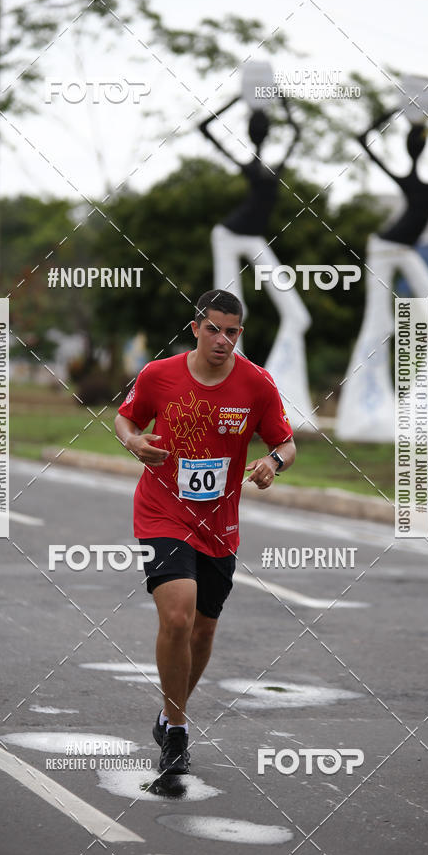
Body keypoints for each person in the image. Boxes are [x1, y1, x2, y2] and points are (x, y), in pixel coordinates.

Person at [114, 289, 296, 775]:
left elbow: (286, 442)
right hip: (162, 512)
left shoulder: (256, 384)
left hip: (219, 523)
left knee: (204, 627)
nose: (222, 340)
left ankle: (169, 712)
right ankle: (177, 729)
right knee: (177, 616)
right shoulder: (159, 374)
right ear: (195, 327)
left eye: (232, 332)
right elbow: (125, 417)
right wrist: (134, 441)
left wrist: (272, 463)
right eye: (213, 328)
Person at [335, 102, 428, 447]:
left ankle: (421, 412)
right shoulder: (408, 178)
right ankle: (363, 410)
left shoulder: (427, 177)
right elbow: (362, 138)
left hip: (403, 251)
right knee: (379, 327)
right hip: (382, 249)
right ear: (416, 147)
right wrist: (399, 108)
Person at [199, 95, 313, 429]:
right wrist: (240, 96)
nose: (262, 131)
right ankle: (228, 400)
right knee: (227, 316)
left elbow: (296, 133)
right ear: (252, 133)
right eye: (258, 126)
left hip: (253, 238)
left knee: (297, 314)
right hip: (227, 235)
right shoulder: (250, 165)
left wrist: (275, 97)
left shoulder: (274, 165)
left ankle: (277, 398)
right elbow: (205, 128)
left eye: (264, 126)